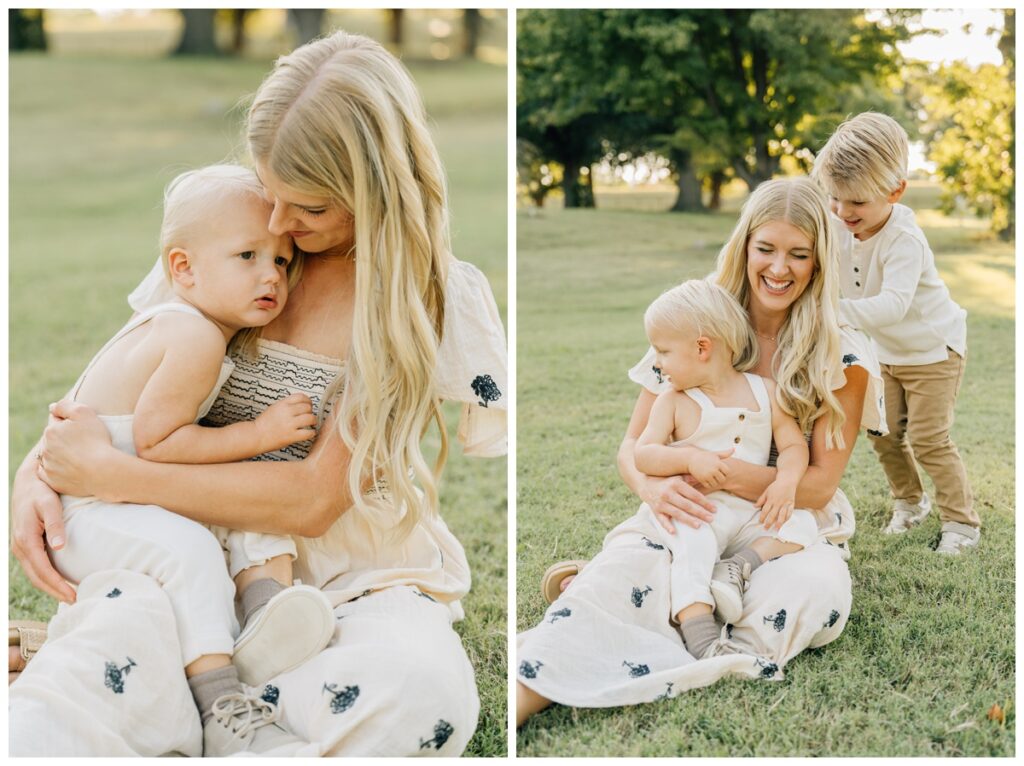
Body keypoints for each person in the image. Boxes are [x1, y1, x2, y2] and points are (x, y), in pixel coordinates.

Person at [10, 30, 506, 757]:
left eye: (303, 207)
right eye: (270, 191)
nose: (277, 226)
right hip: (184, 551)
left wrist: (113, 475)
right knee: (64, 708)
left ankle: (201, 701)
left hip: (347, 576)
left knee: (420, 692)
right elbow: (112, 388)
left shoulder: (415, 296)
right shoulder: (235, 237)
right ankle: (208, 691)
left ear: (369, 189)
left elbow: (311, 498)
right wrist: (35, 470)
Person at [517, 177, 885, 727]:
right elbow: (632, 445)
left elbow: (816, 487)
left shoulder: (841, 351)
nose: (779, 268)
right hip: (691, 508)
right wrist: (655, 487)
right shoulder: (692, 319)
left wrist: (722, 474)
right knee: (654, 561)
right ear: (744, 246)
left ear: (819, 262)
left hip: (779, 523)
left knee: (814, 592)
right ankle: (600, 622)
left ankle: (649, 609)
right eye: (766, 249)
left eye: (798, 254)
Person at [47, 164, 338, 755]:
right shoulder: (193, 336)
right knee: (190, 551)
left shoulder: (187, 325)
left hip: (118, 495)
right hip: (86, 512)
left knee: (244, 496)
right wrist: (259, 432)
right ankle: (221, 706)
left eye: (282, 261)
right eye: (247, 256)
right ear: (183, 268)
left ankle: (265, 610)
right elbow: (161, 444)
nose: (271, 276)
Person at [811, 111, 977, 554]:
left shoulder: (905, 238)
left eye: (857, 203)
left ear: (895, 191)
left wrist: (828, 312)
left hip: (933, 351)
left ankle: (962, 524)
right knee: (881, 433)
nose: (844, 212)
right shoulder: (838, 224)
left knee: (928, 438)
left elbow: (894, 305)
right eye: (835, 199)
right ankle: (909, 502)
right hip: (884, 353)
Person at [635, 279, 818, 656]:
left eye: (662, 351)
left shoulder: (765, 390)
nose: (656, 362)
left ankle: (739, 565)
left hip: (749, 509)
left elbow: (793, 445)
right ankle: (701, 636)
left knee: (804, 524)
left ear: (702, 347)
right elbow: (644, 454)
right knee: (693, 549)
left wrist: (786, 481)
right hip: (699, 510)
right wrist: (689, 458)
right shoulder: (673, 401)